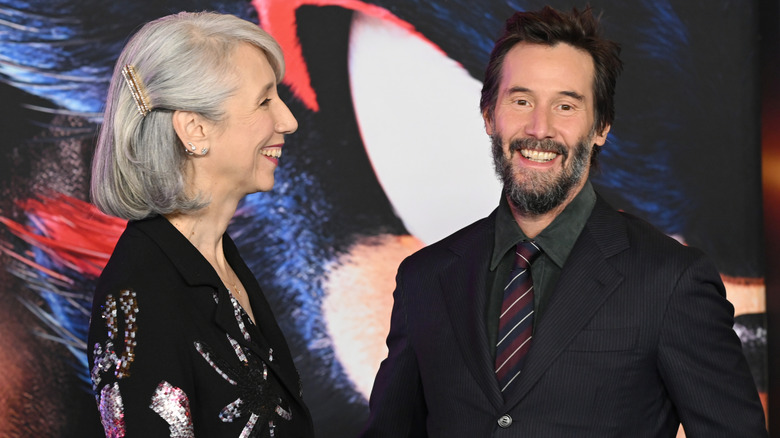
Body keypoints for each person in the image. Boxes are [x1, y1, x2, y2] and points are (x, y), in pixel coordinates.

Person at [361, 5, 767, 437]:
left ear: (601, 128)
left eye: (566, 106)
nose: (540, 127)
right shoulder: (425, 278)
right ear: (488, 116)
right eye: (522, 101)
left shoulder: (671, 280)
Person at [87, 11, 314, 437]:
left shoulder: (217, 257)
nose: (288, 121)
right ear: (194, 129)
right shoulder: (141, 296)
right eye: (265, 101)